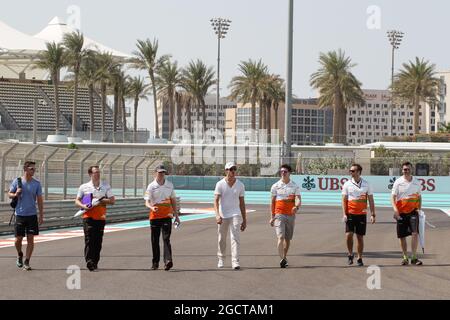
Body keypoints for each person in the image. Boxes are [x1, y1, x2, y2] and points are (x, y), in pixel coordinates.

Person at [75, 166, 115, 271]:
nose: (97, 174)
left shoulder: (105, 186)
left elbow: (112, 200)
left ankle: (95, 262)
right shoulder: (84, 187)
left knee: (98, 241)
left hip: (101, 217)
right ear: (90, 174)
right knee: (89, 239)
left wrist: (100, 200)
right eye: (95, 172)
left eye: (98, 172)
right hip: (88, 217)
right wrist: (83, 206)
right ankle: (89, 261)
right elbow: (77, 201)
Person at [8, 161, 44, 271]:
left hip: (32, 215)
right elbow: (9, 194)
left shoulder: (37, 183)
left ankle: (27, 261)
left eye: (34, 169)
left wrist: (41, 215)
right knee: (17, 240)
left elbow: (39, 200)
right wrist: (15, 194)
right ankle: (20, 254)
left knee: (30, 239)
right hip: (20, 214)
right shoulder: (17, 181)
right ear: (25, 169)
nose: (34, 171)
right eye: (31, 169)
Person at [144, 164, 180, 271]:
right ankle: (155, 263)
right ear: (155, 173)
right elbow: (146, 201)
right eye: (159, 172)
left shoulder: (169, 185)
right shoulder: (151, 186)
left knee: (166, 239)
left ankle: (168, 261)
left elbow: (173, 200)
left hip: (167, 216)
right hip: (154, 216)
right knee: (155, 240)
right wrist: (151, 207)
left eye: (163, 172)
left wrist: (176, 216)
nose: (161, 174)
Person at [214, 162, 247, 270]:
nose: (232, 171)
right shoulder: (220, 184)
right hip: (223, 215)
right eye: (230, 169)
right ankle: (221, 258)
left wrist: (244, 219)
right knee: (221, 239)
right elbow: (216, 201)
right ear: (226, 171)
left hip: (235, 214)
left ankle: (235, 261)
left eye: (234, 169)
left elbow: (242, 203)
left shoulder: (240, 185)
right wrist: (217, 215)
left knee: (235, 238)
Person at [342, 164, 376, 267]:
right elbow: (344, 199)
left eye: (353, 171)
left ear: (358, 172)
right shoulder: (347, 184)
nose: (351, 172)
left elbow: (370, 199)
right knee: (349, 235)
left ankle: (359, 258)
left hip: (362, 214)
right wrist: (344, 213)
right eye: (350, 171)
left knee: (360, 237)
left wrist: (373, 214)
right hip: (350, 214)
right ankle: (350, 254)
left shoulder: (366, 184)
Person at [391, 161, 423, 266]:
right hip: (401, 213)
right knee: (402, 236)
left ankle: (413, 257)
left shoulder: (417, 182)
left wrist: (419, 209)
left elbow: (419, 197)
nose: (406, 171)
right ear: (402, 170)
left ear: (411, 169)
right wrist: (395, 210)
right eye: (405, 169)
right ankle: (405, 257)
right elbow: (393, 198)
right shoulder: (398, 182)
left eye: (408, 169)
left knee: (414, 233)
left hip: (413, 212)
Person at [269, 164, 301, 268]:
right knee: (281, 236)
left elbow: (298, 198)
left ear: (289, 173)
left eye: (285, 171)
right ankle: (282, 258)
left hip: (290, 215)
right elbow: (272, 202)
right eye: (281, 171)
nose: (283, 173)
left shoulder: (295, 185)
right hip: (279, 214)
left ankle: (285, 256)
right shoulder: (275, 186)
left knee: (287, 238)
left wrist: (296, 206)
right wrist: (272, 216)